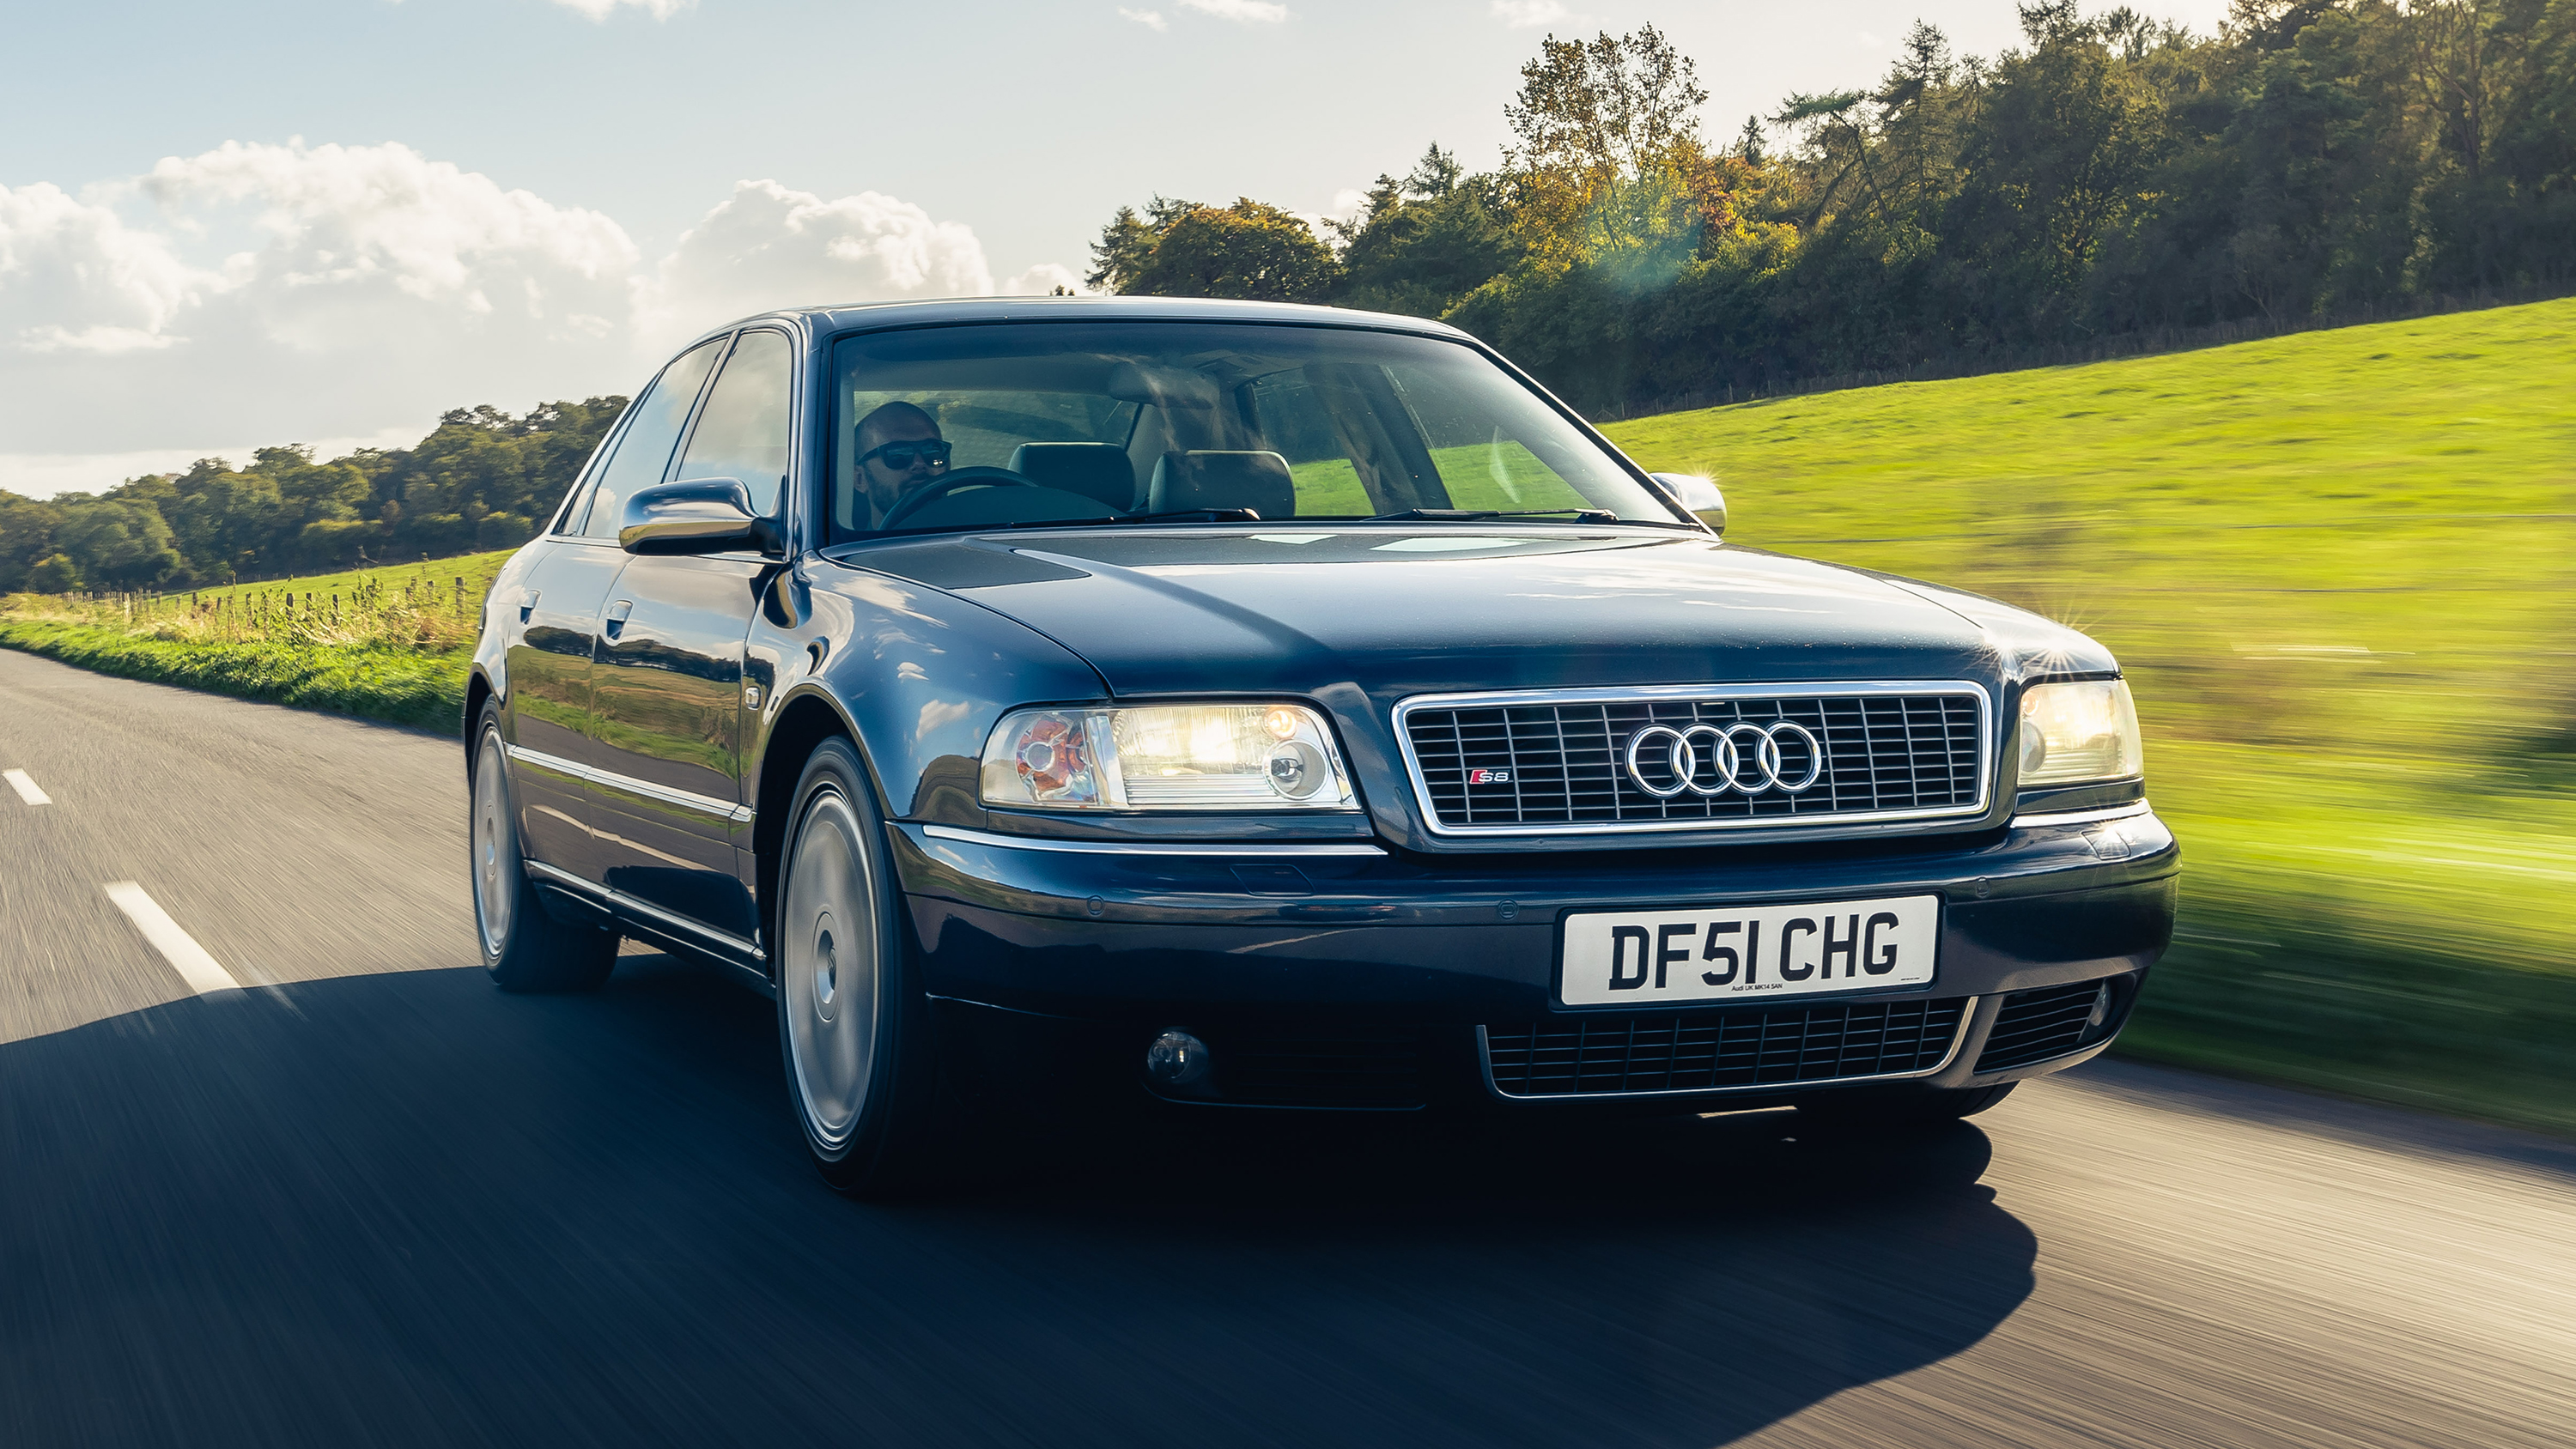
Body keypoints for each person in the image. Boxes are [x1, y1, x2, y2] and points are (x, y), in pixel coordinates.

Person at [853, 400, 951, 526]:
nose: (919, 463)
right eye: (897, 454)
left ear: (948, 465)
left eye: (933, 450)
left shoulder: (982, 532)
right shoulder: (846, 545)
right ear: (859, 479)